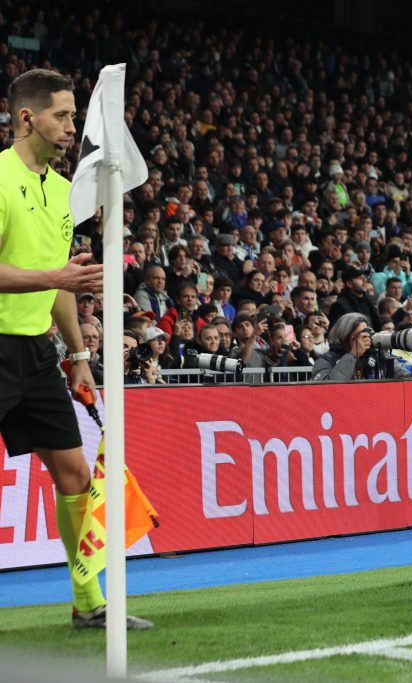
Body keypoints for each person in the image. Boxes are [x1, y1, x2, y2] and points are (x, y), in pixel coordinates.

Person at [0, 69, 152, 629]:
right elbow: (52, 275)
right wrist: (54, 276)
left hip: (38, 354)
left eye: (73, 115)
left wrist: (79, 356)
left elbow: (61, 284)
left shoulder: (65, 191)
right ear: (27, 118)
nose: (71, 127)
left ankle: (88, 602)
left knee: (75, 474)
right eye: (61, 115)